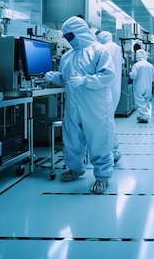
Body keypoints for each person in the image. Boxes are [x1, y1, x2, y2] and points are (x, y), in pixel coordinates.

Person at [44, 16, 114, 193]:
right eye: (65, 36)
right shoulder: (67, 57)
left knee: (99, 139)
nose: (68, 39)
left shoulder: (99, 51)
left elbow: (107, 75)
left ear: (80, 32)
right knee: (72, 138)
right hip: (72, 105)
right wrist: (54, 78)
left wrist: (85, 80)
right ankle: (75, 168)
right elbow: (65, 78)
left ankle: (102, 176)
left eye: (70, 35)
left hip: (95, 106)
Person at [96, 30, 122, 163]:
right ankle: (113, 150)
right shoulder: (117, 48)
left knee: (106, 121)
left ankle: (112, 151)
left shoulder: (104, 48)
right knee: (109, 119)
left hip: (107, 88)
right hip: (116, 87)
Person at [129, 49, 154, 123]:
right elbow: (153, 78)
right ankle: (142, 115)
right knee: (146, 101)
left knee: (140, 101)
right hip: (148, 86)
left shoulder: (136, 65)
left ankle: (144, 116)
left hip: (139, 86)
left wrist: (129, 73)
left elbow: (133, 76)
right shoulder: (150, 66)